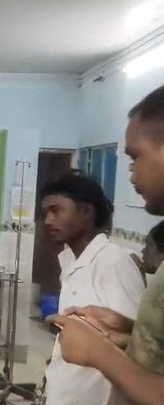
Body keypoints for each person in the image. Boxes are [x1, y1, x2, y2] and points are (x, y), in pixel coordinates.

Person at [48, 85, 164, 405]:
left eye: (135, 157)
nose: (131, 175)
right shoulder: (70, 260)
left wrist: (99, 352)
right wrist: (128, 331)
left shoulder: (115, 264)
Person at [40, 175, 145, 404]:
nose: (48, 220)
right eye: (46, 213)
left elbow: (139, 350)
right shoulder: (71, 262)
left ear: (87, 212)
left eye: (56, 210)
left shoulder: (113, 263)